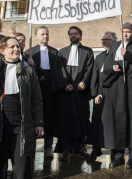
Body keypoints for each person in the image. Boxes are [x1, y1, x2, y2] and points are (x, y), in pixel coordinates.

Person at [0, 37, 44, 179]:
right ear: (2, 51)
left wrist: (39, 123)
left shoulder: (28, 72)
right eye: (12, 47)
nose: (16, 49)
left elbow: (37, 100)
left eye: (18, 47)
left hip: (21, 127)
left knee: (22, 170)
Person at [52, 26, 94, 160]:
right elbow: (59, 70)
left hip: (80, 93)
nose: (73, 36)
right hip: (66, 93)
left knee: (81, 119)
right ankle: (65, 148)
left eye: (76, 33)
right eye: (71, 34)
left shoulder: (87, 51)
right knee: (65, 120)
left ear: (81, 35)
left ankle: (78, 147)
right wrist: (64, 85)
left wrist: (84, 82)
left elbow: (90, 69)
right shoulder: (62, 52)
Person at [102, 23, 132, 169]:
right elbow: (107, 62)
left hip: (131, 88)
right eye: (123, 32)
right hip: (116, 89)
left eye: (128, 32)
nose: (125, 34)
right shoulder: (116, 45)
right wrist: (114, 66)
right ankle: (118, 155)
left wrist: (127, 55)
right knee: (118, 121)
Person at [24, 26, 58, 159]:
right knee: (33, 117)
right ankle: (31, 146)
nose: (45, 36)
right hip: (34, 90)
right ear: (36, 36)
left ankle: (48, 147)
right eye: (42, 34)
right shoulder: (29, 53)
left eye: (47, 34)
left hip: (50, 90)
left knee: (49, 118)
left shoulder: (55, 52)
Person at [87, 32, 115, 162]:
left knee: (113, 122)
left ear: (114, 41)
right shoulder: (99, 58)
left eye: (107, 39)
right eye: (103, 39)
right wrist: (95, 93)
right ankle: (96, 149)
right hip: (101, 94)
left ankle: (115, 151)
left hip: (114, 93)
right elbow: (94, 77)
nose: (104, 41)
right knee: (97, 123)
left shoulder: (118, 56)